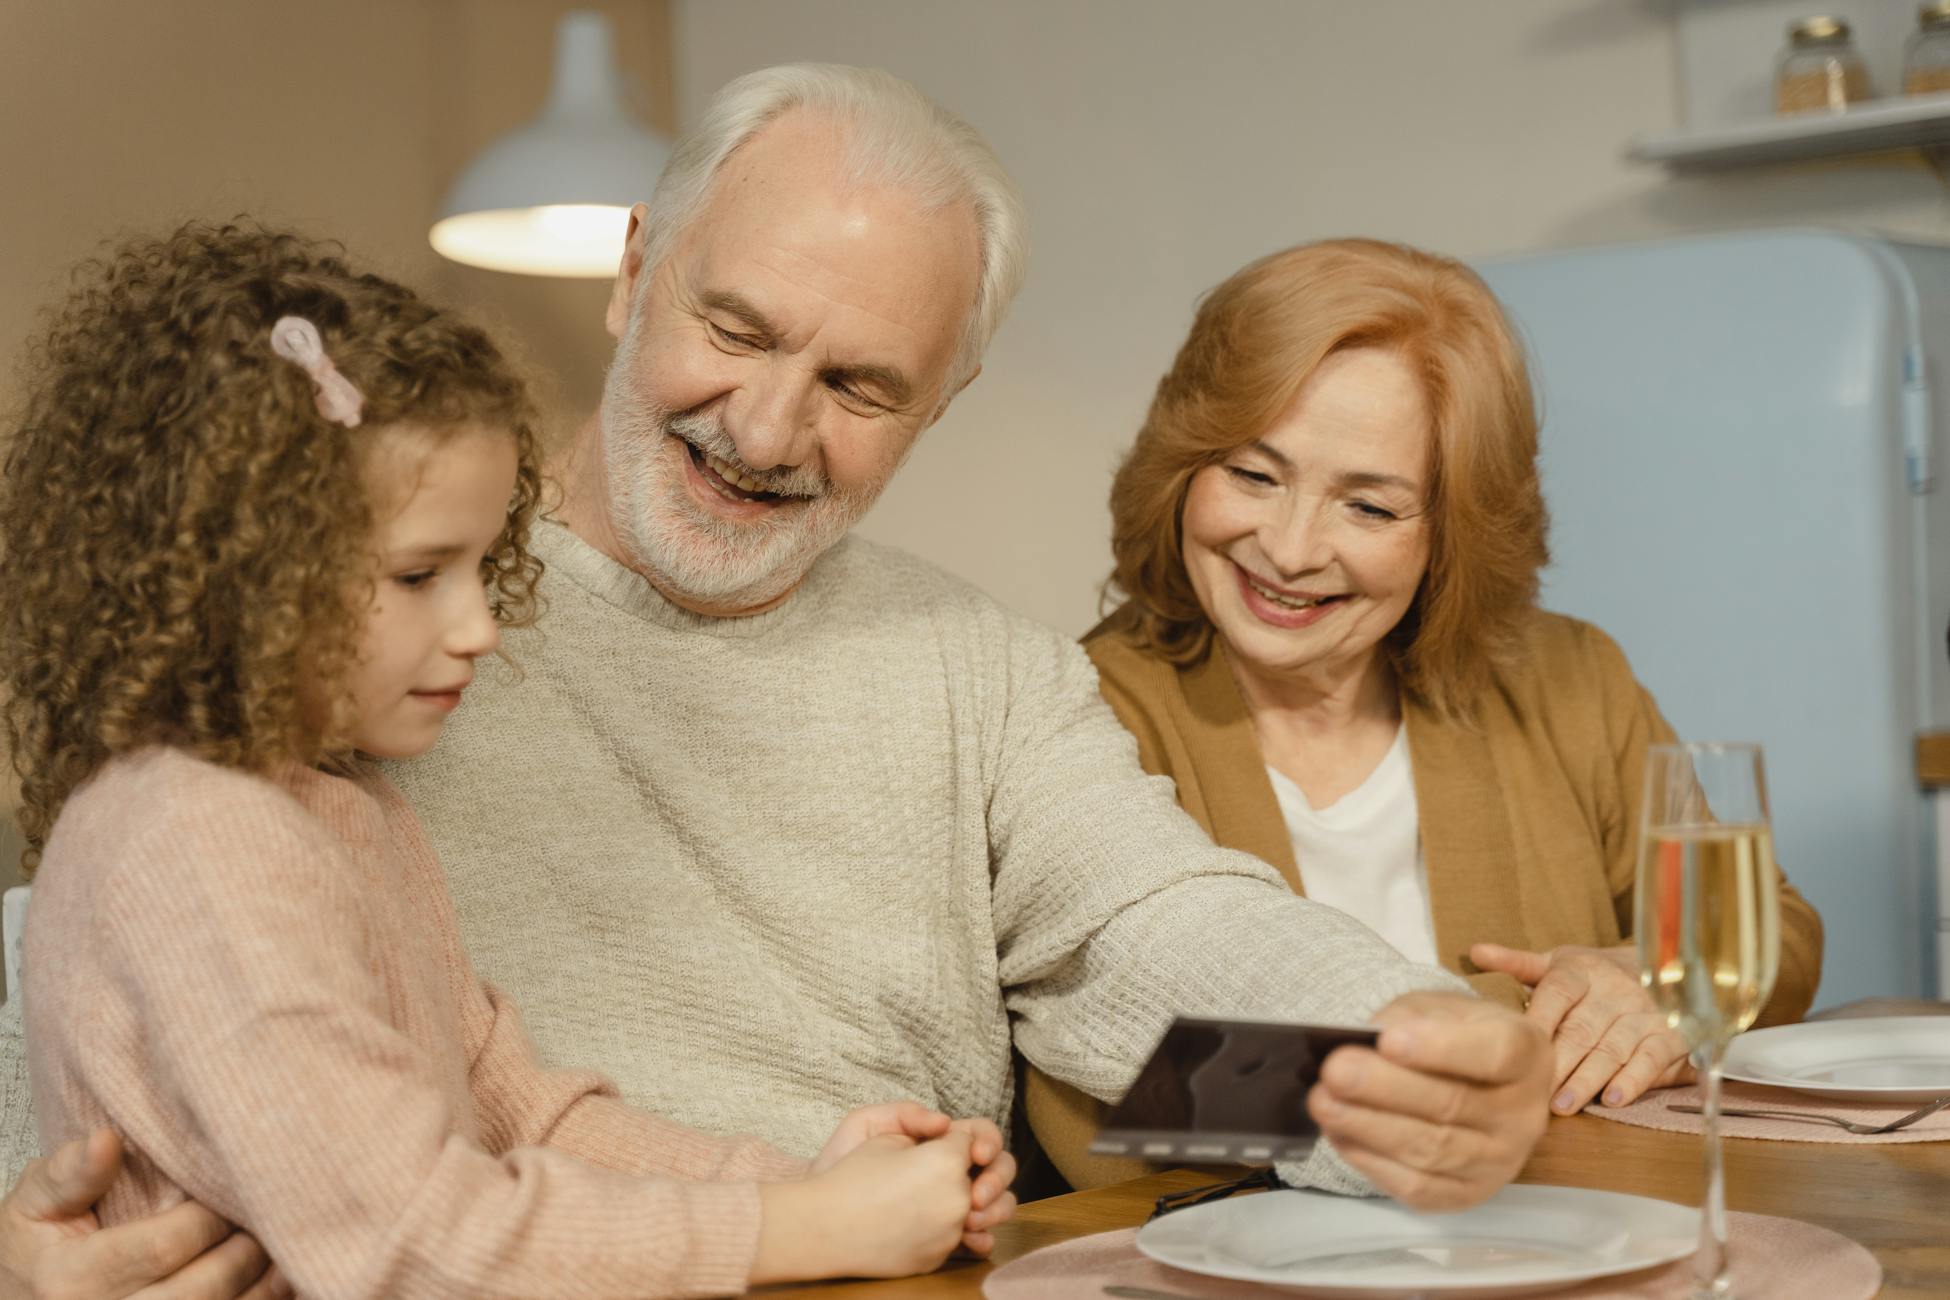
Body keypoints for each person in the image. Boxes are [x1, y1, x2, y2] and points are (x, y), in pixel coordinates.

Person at [0, 67, 1552, 1298]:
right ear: (632, 271)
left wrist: (1398, 1047)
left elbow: (1144, 954)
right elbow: (105, 1007)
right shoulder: (333, 641)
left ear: (946, 397)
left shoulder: (978, 672)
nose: (765, 426)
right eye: (733, 329)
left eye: (861, 384)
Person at [0, 222, 1015, 1298]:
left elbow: (511, 1106)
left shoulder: (342, 808)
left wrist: (804, 1184)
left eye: (483, 564)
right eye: (418, 574)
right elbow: (411, 1238)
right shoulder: (195, 840)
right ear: (238, 574)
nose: (481, 624)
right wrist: (797, 1228)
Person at [1023, 237, 1825, 1189]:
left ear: (1454, 535)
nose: (1287, 547)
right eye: (1252, 474)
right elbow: (1099, 1101)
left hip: (1573, 1231)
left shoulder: (1571, 675)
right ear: (1183, 465)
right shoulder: (1076, 716)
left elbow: (1769, 931)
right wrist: (1512, 1029)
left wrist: (1660, 994)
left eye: (1368, 508)